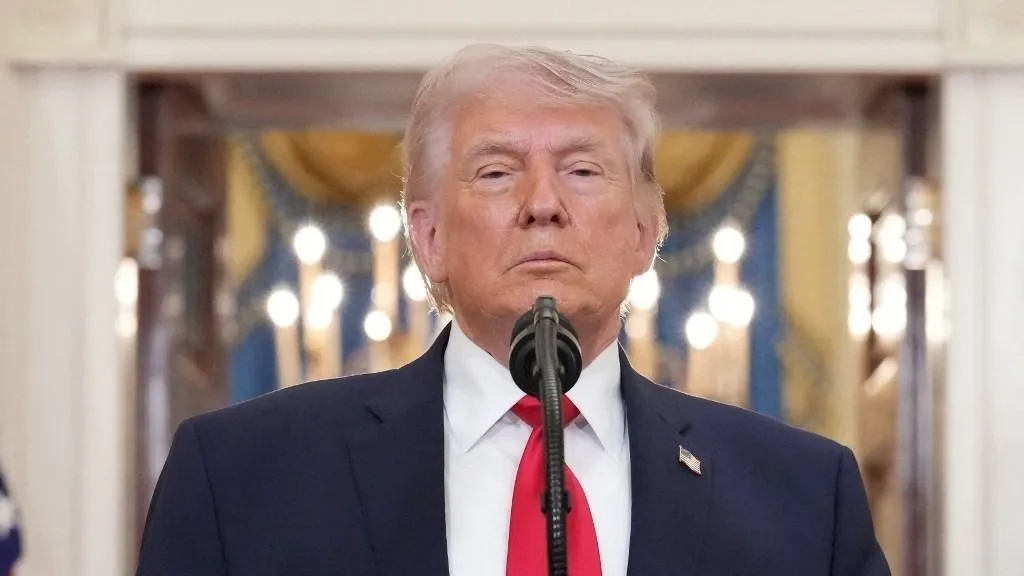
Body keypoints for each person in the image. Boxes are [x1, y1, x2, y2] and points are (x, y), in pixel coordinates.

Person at [136, 44, 889, 575]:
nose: (542, 205)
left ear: (645, 231)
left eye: (583, 170)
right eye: (497, 172)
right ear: (426, 236)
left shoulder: (800, 497)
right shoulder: (242, 477)